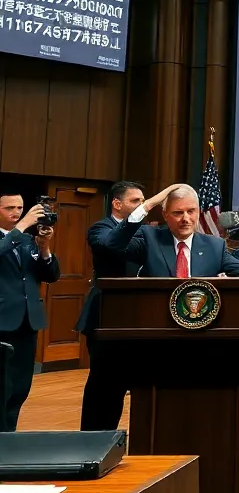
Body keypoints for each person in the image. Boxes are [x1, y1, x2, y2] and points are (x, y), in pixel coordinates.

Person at [79, 180, 143, 432]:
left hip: (136, 317)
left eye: (142, 201)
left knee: (127, 382)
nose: (141, 206)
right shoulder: (100, 228)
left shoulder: (142, 232)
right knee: (104, 386)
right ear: (117, 204)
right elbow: (110, 244)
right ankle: (92, 441)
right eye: (135, 201)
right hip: (106, 316)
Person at [0, 191, 60, 431]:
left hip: (28, 321)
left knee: (19, 388)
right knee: (1, 388)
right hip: (2, 322)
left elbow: (51, 275)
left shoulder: (26, 239)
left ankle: (9, 440)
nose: (16, 213)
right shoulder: (16, 235)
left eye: (20, 208)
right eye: (9, 208)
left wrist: (44, 248)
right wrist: (23, 225)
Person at [106, 184, 239, 277]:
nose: (186, 219)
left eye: (191, 211)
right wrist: (148, 205)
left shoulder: (215, 246)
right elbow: (113, 245)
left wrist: (224, 283)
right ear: (165, 215)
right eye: (178, 213)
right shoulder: (149, 238)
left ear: (198, 212)